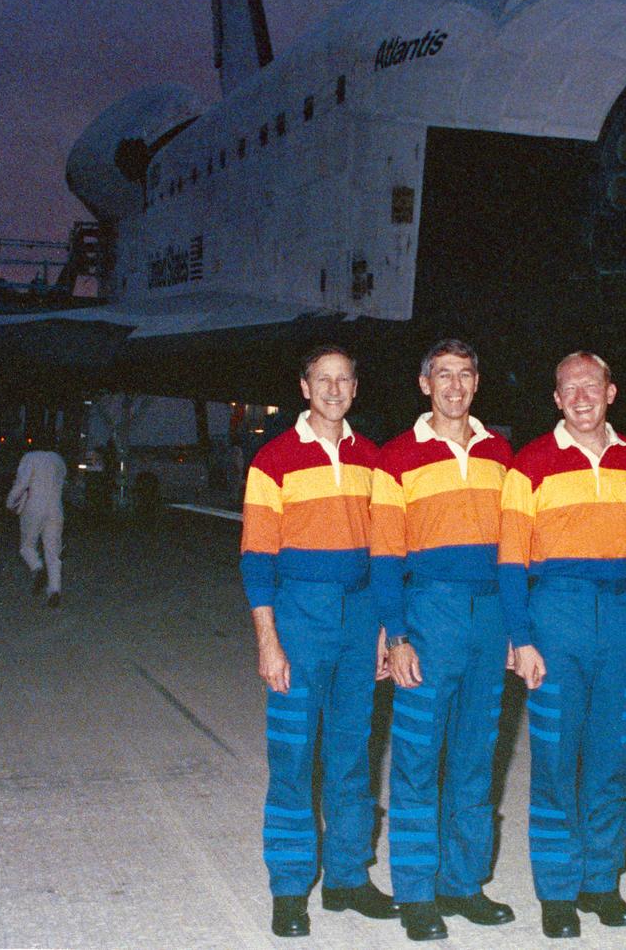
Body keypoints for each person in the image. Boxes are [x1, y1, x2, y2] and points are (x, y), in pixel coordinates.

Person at [499, 351, 626, 939]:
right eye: (568, 388)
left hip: (623, 621)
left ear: (611, 392)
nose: (581, 397)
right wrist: (520, 638)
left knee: (611, 757)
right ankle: (556, 891)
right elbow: (509, 563)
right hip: (556, 618)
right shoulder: (529, 466)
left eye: (590, 386)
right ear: (556, 399)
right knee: (554, 758)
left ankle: (602, 882)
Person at [239, 345, 399, 938]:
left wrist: (385, 627)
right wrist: (268, 641)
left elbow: (386, 553)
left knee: (353, 754)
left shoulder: (374, 460)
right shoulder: (272, 460)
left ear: (355, 388)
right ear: (304, 387)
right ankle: (288, 887)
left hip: (360, 619)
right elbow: (256, 559)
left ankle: (348, 879)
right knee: (292, 758)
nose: (333, 390)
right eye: (321, 380)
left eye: (343, 380)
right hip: (299, 616)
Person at [370, 339, 517, 940]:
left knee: (476, 756)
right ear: (424, 383)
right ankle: (415, 891)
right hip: (429, 613)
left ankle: (463, 884)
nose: (454, 386)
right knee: (416, 757)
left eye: (464, 375)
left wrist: (516, 627)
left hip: (490, 619)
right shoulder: (395, 458)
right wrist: (398, 634)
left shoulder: (501, 453)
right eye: (442, 376)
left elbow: (515, 551)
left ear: (476, 383)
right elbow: (383, 556)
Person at [6, 434, 67, 608]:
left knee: (27, 546)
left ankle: (37, 568)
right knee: (53, 552)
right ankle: (54, 590)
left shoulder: (30, 458)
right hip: (55, 508)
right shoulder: (59, 461)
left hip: (34, 507)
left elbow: (22, 483)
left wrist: (10, 502)